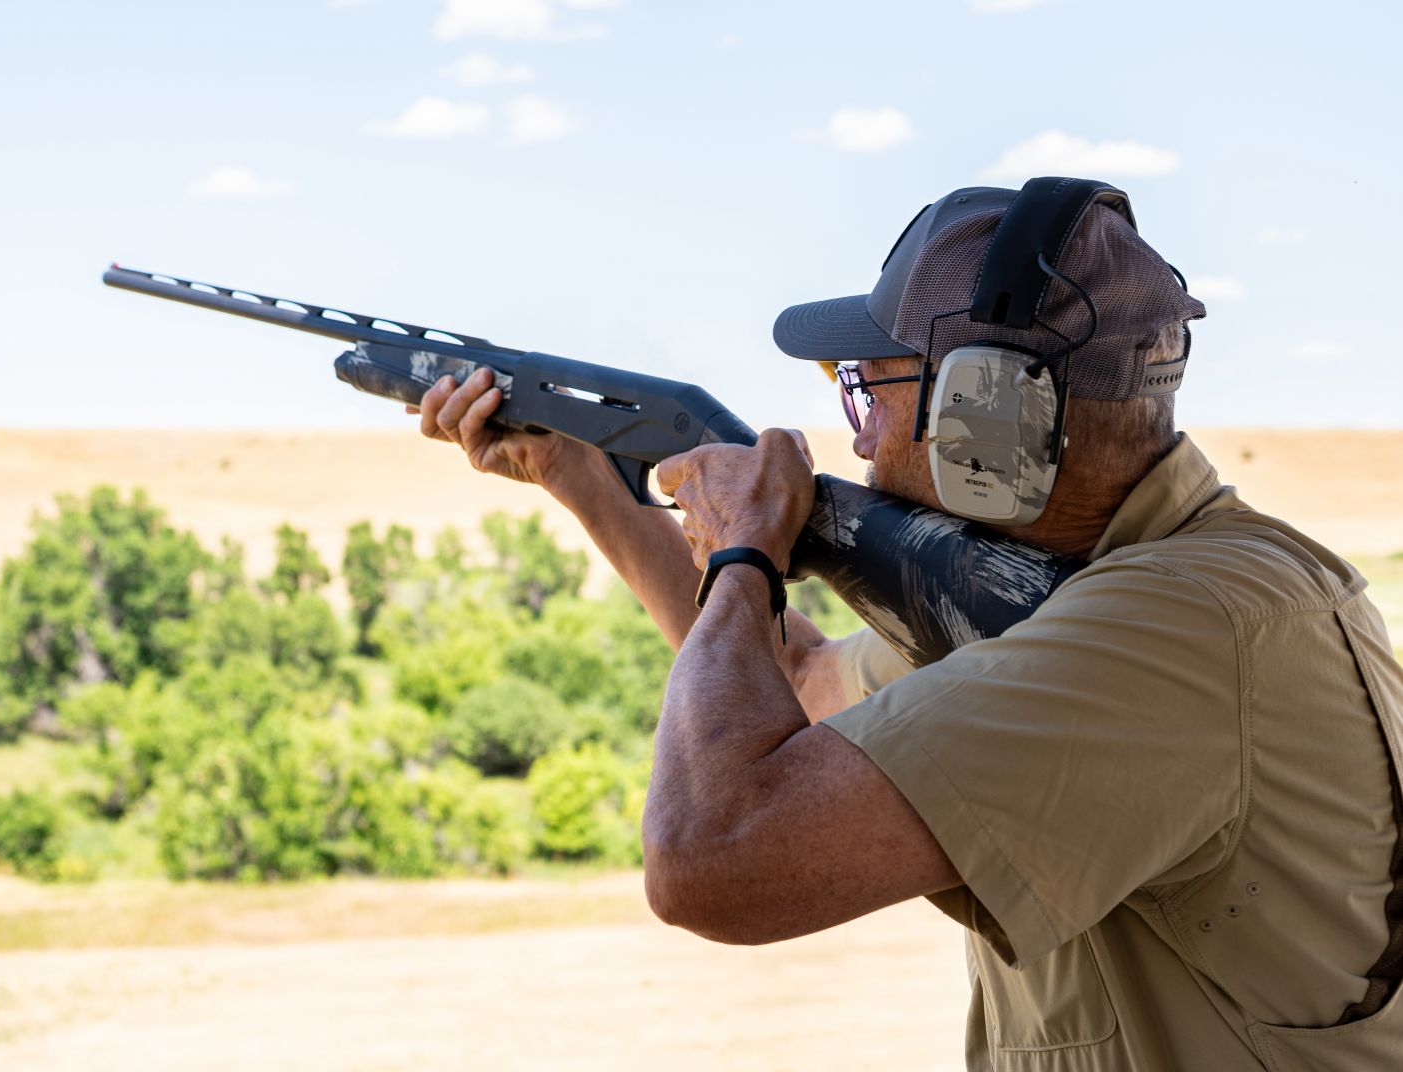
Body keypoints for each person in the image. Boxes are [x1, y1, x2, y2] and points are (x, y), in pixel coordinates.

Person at [411, 182, 1403, 1069]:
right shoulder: (1088, 604)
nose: (855, 436)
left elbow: (711, 855)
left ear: (990, 414)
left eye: (866, 388)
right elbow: (794, 684)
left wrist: (746, 549)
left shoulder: (1180, 628)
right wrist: (581, 475)